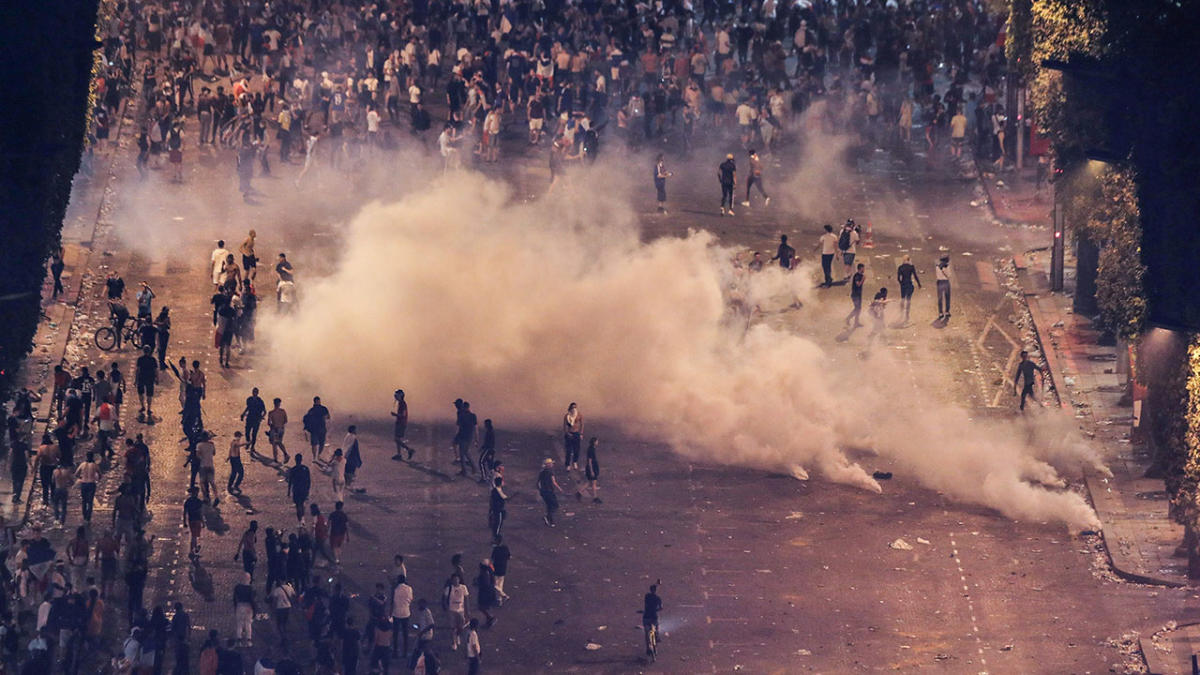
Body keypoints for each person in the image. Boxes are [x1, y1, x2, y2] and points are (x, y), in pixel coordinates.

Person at [302, 396, 331, 463]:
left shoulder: (311, 410)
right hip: (320, 429)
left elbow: (306, 419)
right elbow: (328, 417)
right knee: (320, 443)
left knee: (315, 444)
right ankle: (317, 456)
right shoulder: (323, 409)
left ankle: (315, 457)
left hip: (315, 429)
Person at [391, 574, 413, 658]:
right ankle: (405, 652)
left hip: (396, 613)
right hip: (406, 613)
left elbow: (394, 601)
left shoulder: (396, 589)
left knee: (395, 634)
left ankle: (395, 652)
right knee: (405, 633)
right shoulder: (409, 589)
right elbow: (410, 599)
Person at [445, 574, 469, 651]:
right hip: (452, 610)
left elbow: (466, 599)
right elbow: (445, 599)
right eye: (454, 579)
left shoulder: (463, 588)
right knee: (453, 627)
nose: (455, 581)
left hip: (461, 610)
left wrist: (467, 611)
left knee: (461, 627)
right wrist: (446, 608)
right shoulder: (448, 589)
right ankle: (454, 642)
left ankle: (457, 635)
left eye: (457, 579)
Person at [454, 400, 478, 476]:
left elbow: (458, 426)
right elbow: (476, 428)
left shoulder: (462, 416)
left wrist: (456, 435)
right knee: (466, 452)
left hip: (463, 436)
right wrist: (476, 439)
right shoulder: (473, 416)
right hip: (469, 436)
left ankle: (467, 470)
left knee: (463, 453)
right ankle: (472, 468)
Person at [537, 458, 564, 526]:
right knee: (555, 505)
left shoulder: (542, 472)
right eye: (551, 463)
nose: (552, 464)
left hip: (543, 491)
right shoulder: (550, 472)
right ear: (548, 465)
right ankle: (548, 517)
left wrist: (540, 490)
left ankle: (550, 519)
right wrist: (559, 489)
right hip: (549, 491)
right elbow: (554, 482)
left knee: (549, 505)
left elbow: (538, 482)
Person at [134, 346, 158, 423]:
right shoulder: (153, 360)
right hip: (150, 379)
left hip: (142, 378)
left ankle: (142, 406)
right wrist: (157, 378)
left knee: (141, 393)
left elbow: (137, 370)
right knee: (149, 395)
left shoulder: (140, 359)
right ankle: (149, 408)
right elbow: (155, 370)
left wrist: (136, 380)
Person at [75, 451, 99, 523]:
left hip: (84, 483)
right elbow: (100, 474)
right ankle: (88, 518)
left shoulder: (82, 464)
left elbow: (76, 474)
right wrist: (97, 479)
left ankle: (85, 515)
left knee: (84, 501)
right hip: (92, 483)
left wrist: (81, 477)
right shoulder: (95, 465)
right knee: (90, 502)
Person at [269, 579, 295, 646]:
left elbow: (274, 601)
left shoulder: (276, 590)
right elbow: (294, 595)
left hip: (280, 608)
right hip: (288, 607)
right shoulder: (289, 588)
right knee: (285, 623)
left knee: (279, 624)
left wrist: (272, 610)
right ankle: (286, 635)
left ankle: (283, 637)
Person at [896, 255, 922, 322]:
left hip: (903, 285)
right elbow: (915, 276)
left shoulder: (900, 267)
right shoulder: (911, 267)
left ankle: (901, 314)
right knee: (908, 300)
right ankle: (907, 315)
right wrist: (919, 284)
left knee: (902, 299)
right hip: (909, 284)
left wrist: (901, 283)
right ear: (909, 259)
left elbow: (898, 278)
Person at [286, 454, 311, 524]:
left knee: (298, 505)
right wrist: (308, 489)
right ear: (301, 459)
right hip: (303, 489)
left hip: (296, 489)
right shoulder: (305, 468)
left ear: (295, 460)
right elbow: (308, 480)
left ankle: (300, 520)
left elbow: (290, 481)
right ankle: (302, 518)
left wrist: (288, 491)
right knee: (302, 503)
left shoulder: (293, 469)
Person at [195, 431, 218, 504]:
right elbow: (214, 453)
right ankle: (216, 496)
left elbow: (198, 456)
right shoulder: (211, 444)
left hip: (203, 466)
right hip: (210, 465)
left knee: (202, 482)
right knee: (212, 482)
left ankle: (205, 497)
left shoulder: (199, 445)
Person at [233, 572, 255, 647]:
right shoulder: (250, 588)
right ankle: (248, 640)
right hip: (248, 606)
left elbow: (234, 599)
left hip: (239, 606)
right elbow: (252, 600)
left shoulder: (237, 587)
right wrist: (254, 609)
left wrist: (235, 607)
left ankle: (239, 640)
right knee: (248, 624)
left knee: (239, 624)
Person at [241, 388, 266, 453]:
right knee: (247, 433)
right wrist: (243, 414)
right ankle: (249, 443)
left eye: (255, 392)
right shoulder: (249, 399)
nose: (254, 393)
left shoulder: (260, 401)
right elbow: (248, 407)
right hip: (250, 418)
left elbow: (264, 411)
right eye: (253, 392)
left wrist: (261, 418)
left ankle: (252, 446)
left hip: (256, 419)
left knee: (254, 434)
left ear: (257, 393)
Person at [643, 582, 663, 657]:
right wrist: (656, 610)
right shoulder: (658, 598)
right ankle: (657, 636)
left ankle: (648, 647)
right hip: (654, 616)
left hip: (646, 616)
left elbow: (646, 605)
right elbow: (661, 607)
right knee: (656, 627)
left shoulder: (647, 596)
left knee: (646, 632)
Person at [184, 487, 204, 559]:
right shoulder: (199, 502)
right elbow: (200, 513)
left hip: (191, 520)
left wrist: (184, 522)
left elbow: (185, 512)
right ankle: (193, 550)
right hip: (197, 520)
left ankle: (195, 548)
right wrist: (203, 522)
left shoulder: (188, 501)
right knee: (194, 536)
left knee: (194, 535)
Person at [391, 389, 412, 460]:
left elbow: (403, 415)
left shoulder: (402, 404)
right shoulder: (401, 403)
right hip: (400, 422)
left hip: (401, 423)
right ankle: (399, 454)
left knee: (396, 439)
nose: (395, 397)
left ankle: (409, 450)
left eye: (397, 395)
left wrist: (395, 415)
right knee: (398, 439)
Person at [267, 397, 289, 463]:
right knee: (279, 442)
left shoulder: (271, 412)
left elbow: (269, 423)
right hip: (281, 429)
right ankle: (283, 455)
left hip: (275, 429)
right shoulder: (283, 411)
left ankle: (279, 457)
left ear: (274, 404)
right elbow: (286, 421)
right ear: (279, 404)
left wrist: (273, 426)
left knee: (275, 444)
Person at [562, 402, 583, 470]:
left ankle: (575, 462)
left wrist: (581, 433)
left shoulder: (579, 415)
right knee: (568, 450)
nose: (574, 409)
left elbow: (582, 424)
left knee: (576, 449)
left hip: (576, 433)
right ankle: (568, 464)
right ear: (570, 408)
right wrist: (567, 433)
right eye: (573, 407)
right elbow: (564, 426)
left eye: (575, 407)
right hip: (569, 433)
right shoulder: (567, 416)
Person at [845, 263, 867, 328]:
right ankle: (849, 319)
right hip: (855, 295)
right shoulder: (857, 276)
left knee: (858, 309)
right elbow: (858, 284)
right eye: (863, 268)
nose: (864, 270)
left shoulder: (860, 275)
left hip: (858, 295)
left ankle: (856, 322)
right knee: (857, 308)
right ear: (860, 268)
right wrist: (863, 279)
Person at [329, 500, 349, 565]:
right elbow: (346, 526)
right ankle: (338, 557)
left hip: (334, 532)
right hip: (342, 533)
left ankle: (337, 559)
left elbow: (328, 524)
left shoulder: (332, 514)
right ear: (341, 507)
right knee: (338, 546)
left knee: (334, 546)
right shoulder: (344, 515)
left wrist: (326, 531)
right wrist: (347, 536)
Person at [583, 437, 602, 503]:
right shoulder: (591, 450)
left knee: (589, 482)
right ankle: (595, 497)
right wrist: (592, 471)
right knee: (594, 483)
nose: (597, 442)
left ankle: (579, 493)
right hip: (592, 467)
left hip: (592, 467)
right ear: (594, 442)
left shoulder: (591, 449)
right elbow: (590, 461)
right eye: (597, 441)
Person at [935, 255, 952, 320]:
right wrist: (944, 270)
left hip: (939, 282)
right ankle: (947, 311)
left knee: (940, 298)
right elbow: (949, 275)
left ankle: (940, 313)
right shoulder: (947, 267)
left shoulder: (937, 266)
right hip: (946, 282)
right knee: (947, 297)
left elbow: (937, 275)